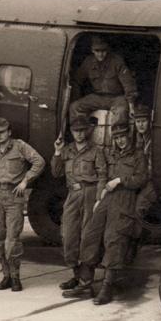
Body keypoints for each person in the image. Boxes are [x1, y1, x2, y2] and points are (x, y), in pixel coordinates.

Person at [63, 123, 148, 305]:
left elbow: (141, 179)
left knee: (113, 240)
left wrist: (120, 180)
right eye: (116, 138)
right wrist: (100, 197)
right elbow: (103, 176)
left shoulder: (138, 155)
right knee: (90, 236)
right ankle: (85, 284)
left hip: (124, 199)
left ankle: (107, 288)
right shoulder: (112, 154)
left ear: (129, 136)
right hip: (107, 198)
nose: (120, 140)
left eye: (123, 136)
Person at [0, 117, 45, 292]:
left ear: (9, 132)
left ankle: (15, 277)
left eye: (2, 132)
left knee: (12, 240)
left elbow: (39, 161)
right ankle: (6, 275)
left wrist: (25, 181)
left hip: (14, 196)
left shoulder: (20, 146)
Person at [51, 115, 107, 291]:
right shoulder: (67, 150)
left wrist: (99, 198)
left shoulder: (96, 151)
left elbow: (102, 175)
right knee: (68, 235)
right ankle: (76, 275)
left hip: (90, 194)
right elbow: (56, 173)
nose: (80, 134)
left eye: (82, 131)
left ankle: (86, 282)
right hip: (73, 195)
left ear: (87, 131)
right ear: (72, 132)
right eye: (76, 131)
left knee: (88, 237)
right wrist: (57, 152)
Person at [69, 35, 138, 127]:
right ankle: (81, 134)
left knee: (121, 111)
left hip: (116, 98)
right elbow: (77, 81)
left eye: (103, 51)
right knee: (75, 107)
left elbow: (128, 84)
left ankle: (118, 135)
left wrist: (131, 105)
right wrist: (76, 98)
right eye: (97, 51)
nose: (100, 54)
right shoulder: (88, 62)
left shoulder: (117, 61)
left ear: (108, 50)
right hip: (97, 97)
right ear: (92, 50)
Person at [126, 104, 157, 264]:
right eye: (138, 122)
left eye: (143, 121)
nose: (141, 125)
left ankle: (134, 245)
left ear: (149, 122)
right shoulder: (139, 138)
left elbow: (153, 167)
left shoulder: (154, 139)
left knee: (138, 208)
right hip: (142, 178)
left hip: (153, 181)